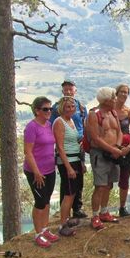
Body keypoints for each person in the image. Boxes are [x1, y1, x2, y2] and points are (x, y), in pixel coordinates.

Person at [87, 87, 126, 230]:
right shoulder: (94, 114)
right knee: (100, 186)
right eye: (113, 98)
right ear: (106, 100)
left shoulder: (113, 113)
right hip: (100, 154)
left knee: (109, 184)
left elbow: (119, 132)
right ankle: (95, 216)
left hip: (113, 153)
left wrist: (117, 147)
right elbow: (95, 138)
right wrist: (113, 150)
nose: (116, 100)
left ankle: (104, 212)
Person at [23, 97, 59, 248]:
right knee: (39, 202)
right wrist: (36, 172)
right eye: (45, 109)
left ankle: (44, 229)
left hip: (50, 169)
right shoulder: (32, 127)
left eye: (50, 109)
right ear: (37, 110)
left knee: (47, 200)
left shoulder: (49, 125)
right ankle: (38, 234)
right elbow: (28, 152)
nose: (49, 111)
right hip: (36, 172)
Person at [50, 80, 88, 218]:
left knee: (77, 183)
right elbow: (57, 139)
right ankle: (64, 219)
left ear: (75, 90)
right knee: (68, 188)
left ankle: (77, 209)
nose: (68, 92)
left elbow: (85, 125)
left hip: (78, 149)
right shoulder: (56, 112)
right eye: (65, 90)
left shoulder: (81, 108)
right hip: (66, 153)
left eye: (70, 89)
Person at [52, 97, 84, 237]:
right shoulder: (59, 122)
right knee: (69, 193)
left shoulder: (71, 121)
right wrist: (68, 167)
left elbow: (74, 141)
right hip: (67, 161)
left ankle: (67, 220)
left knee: (74, 191)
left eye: (72, 106)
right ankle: (62, 224)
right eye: (67, 107)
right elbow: (59, 146)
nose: (71, 109)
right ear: (61, 108)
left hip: (75, 159)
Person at [114, 84, 130, 217]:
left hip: (126, 149)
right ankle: (103, 210)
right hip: (110, 148)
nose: (124, 95)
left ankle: (122, 207)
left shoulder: (129, 112)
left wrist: (129, 147)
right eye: (122, 92)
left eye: (126, 93)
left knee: (124, 179)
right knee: (106, 181)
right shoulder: (109, 109)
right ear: (116, 93)